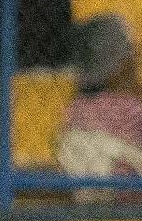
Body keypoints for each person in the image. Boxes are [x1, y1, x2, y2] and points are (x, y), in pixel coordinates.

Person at [54, 14, 142, 200]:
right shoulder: (131, 108)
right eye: (131, 55)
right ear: (120, 66)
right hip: (128, 198)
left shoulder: (77, 107)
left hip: (87, 196)